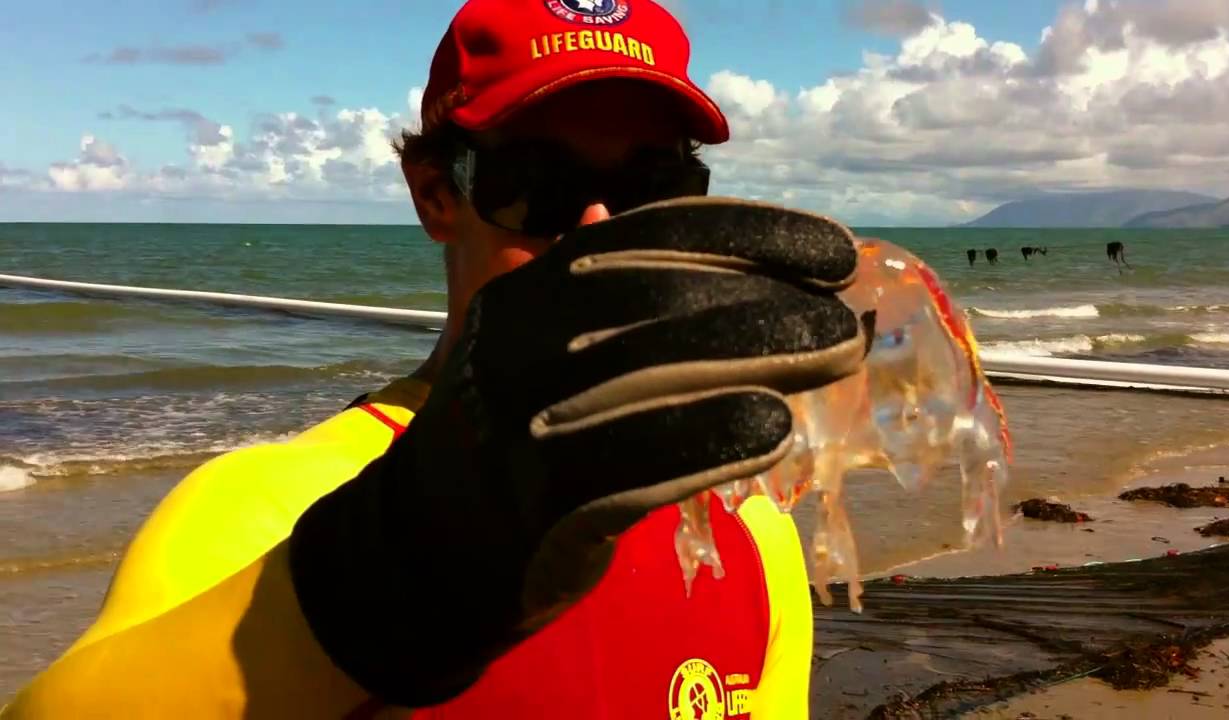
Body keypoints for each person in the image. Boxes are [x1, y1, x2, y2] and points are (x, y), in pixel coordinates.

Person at [1, 0, 868, 717]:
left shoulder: (752, 539)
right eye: (538, 184)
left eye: (652, 186)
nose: (599, 231)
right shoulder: (267, 509)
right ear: (434, 193)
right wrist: (387, 572)